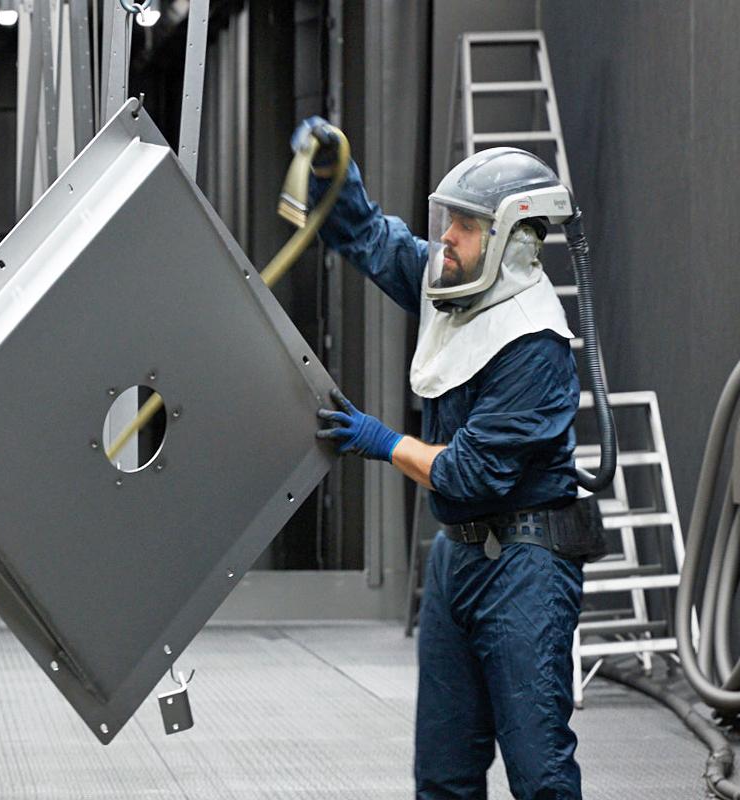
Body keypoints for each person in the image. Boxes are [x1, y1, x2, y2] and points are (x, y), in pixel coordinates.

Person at [298, 116, 595, 800]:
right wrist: (335, 177)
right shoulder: (454, 287)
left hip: (526, 565)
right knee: (443, 777)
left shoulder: (535, 346)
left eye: (466, 226)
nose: (447, 238)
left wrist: (383, 441)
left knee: (540, 776)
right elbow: (369, 238)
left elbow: (470, 474)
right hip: (458, 559)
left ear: (512, 240)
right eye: (449, 221)